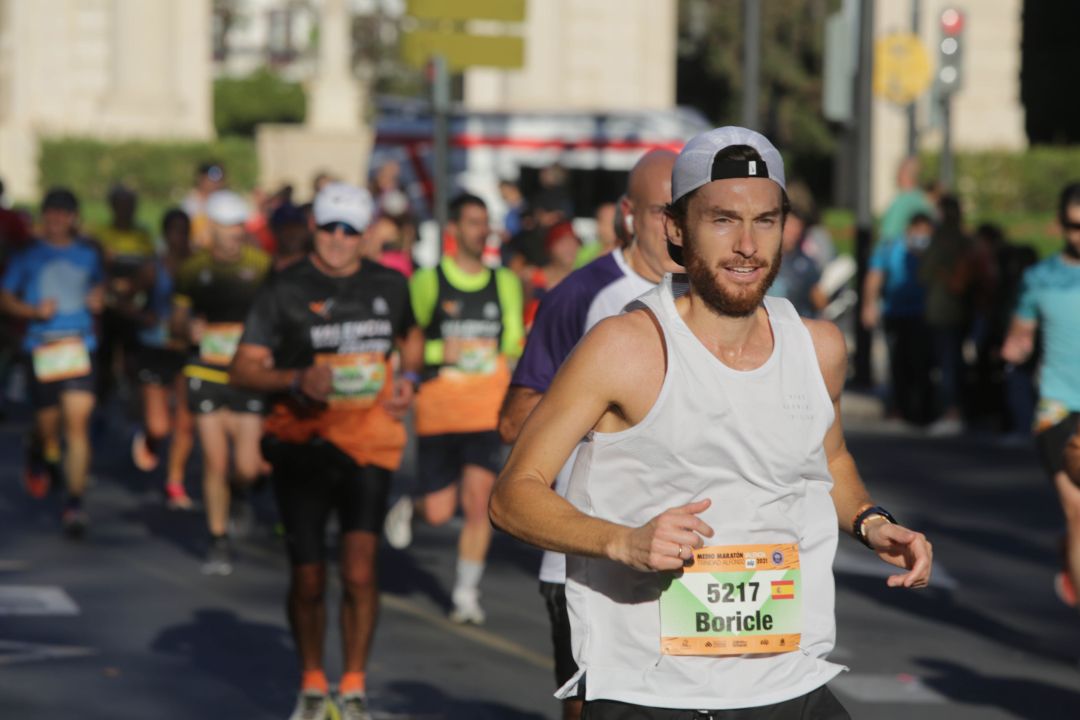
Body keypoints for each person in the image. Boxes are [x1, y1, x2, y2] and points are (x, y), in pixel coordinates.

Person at [490, 127, 933, 718]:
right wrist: (624, 541)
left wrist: (872, 522)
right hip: (652, 691)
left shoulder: (818, 346)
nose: (748, 245)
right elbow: (513, 496)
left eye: (766, 221)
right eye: (723, 220)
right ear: (676, 228)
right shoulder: (626, 347)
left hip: (786, 680)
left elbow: (828, 462)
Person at [230, 182, 423, 720]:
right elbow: (242, 368)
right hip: (303, 443)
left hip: (369, 443)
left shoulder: (390, 283)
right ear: (314, 227)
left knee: (360, 570)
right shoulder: (284, 288)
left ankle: (355, 686)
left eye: (349, 230)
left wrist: (408, 377)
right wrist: (295, 378)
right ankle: (313, 682)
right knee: (309, 576)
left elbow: (410, 336)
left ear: (364, 236)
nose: (338, 239)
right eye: (329, 227)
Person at [498, 148, 678, 720]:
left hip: (688, 548)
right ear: (628, 213)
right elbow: (512, 419)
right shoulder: (583, 295)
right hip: (588, 550)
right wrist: (597, 406)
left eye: (690, 212)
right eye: (661, 212)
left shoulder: (713, 295)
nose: (677, 229)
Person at [382, 193, 524, 625]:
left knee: (480, 502)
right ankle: (412, 507)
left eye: (486, 223)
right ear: (453, 231)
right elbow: (408, 341)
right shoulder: (429, 281)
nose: (482, 231)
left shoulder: (505, 283)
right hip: (439, 411)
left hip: (485, 411)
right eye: (473, 223)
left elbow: (513, 343)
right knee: (441, 510)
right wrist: (446, 349)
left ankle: (466, 593)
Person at [171, 190, 271, 574]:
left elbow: (275, 313)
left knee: (246, 464)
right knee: (215, 459)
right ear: (210, 229)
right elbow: (176, 322)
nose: (232, 235)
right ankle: (217, 539)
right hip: (205, 369)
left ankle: (242, 492)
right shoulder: (192, 269)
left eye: (238, 227)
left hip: (246, 372)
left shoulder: (261, 265)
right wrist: (188, 329)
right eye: (225, 228)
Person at [0, 188, 104, 536]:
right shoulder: (28, 255)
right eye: (51, 213)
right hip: (41, 347)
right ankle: (41, 448)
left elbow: (101, 290)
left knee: (77, 425)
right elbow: (5, 297)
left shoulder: (89, 255)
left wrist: (99, 300)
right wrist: (31, 311)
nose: (57, 220)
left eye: (64, 213)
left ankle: (74, 503)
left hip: (78, 346)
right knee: (50, 430)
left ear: (74, 217)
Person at [1002, 181, 1080, 608]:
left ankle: (1071, 550)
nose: (1079, 235)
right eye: (1072, 226)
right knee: (1078, 511)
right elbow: (1022, 328)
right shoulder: (1041, 277)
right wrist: (1017, 345)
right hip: (1058, 405)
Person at [131, 209, 196, 509]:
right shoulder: (152, 268)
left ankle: (175, 481)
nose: (179, 237)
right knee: (159, 426)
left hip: (188, 351)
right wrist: (143, 316)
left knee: (185, 421)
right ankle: (152, 437)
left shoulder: (199, 268)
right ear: (165, 233)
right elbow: (124, 298)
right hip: (155, 349)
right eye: (174, 230)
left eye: (184, 230)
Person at [861, 213, 936, 425]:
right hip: (895, 312)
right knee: (898, 361)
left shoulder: (932, 250)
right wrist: (869, 305)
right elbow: (875, 276)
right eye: (919, 231)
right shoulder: (891, 247)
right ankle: (899, 407)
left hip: (924, 314)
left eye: (926, 232)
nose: (922, 236)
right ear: (910, 229)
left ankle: (922, 410)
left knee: (922, 361)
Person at [92, 184, 156, 405]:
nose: (126, 210)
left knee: (133, 358)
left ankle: (134, 401)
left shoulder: (143, 235)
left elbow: (150, 267)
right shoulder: (101, 233)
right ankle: (102, 401)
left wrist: (131, 287)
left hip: (134, 303)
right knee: (105, 357)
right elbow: (96, 268)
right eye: (121, 205)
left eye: (130, 206)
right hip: (110, 305)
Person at [920, 195, 974, 435]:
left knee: (947, 363)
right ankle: (958, 410)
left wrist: (939, 271)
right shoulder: (963, 239)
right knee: (954, 361)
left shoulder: (943, 239)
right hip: (957, 308)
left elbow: (925, 272)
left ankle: (951, 412)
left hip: (943, 309)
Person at [524, 221, 581, 329]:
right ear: (550, 247)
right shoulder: (531, 278)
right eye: (562, 243)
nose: (568, 249)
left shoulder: (583, 282)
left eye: (572, 242)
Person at [878, 156, 932, 248]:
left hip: (899, 252)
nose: (896, 175)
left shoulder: (915, 199)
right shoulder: (906, 197)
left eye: (900, 171)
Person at [182, 161, 226, 249]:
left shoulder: (225, 202)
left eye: (219, 180)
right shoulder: (189, 204)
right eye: (212, 179)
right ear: (201, 178)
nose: (216, 183)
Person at [575, 202, 619, 268]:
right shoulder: (586, 251)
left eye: (613, 221)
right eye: (604, 222)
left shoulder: (632, 250)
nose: (610, 227)